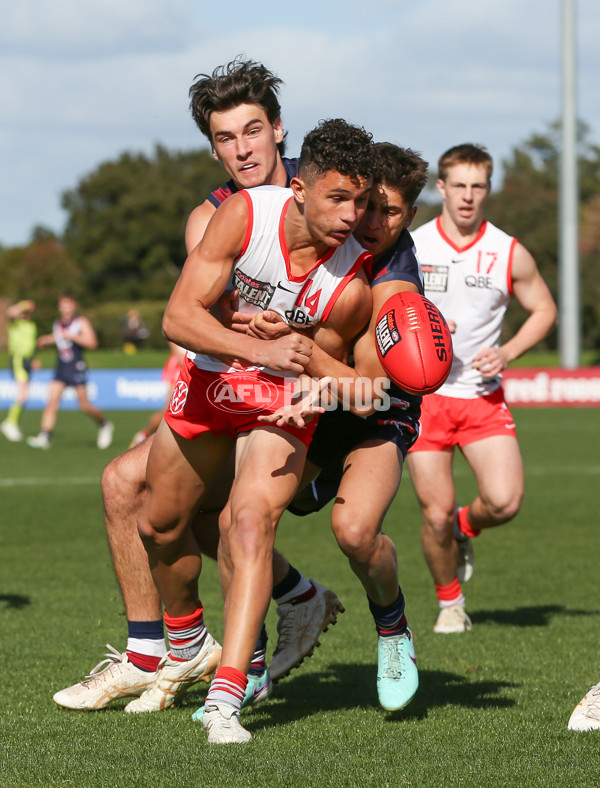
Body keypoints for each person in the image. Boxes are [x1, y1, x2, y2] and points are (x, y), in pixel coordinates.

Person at [52, 59, 343, 715]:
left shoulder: (324, 198)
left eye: (252, 130)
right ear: (212, 146)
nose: (241, 149)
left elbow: (358, 304)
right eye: (224, 138)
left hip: (317, 402)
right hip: (236, 395)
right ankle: (154, 652)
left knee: (228, 511)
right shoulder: (209, 219)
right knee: (124, 484)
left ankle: (247, 652)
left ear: (277, 129)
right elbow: (198, 331)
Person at [139, 117, 374, 745]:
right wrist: (256, 348)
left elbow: (357, 385)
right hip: (212, 377)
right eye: (337, 197)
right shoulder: (243, 215)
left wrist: (316, 381)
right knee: (158, 522)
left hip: (280, 401)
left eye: (361, 201)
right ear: (298, 187)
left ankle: (227, 696)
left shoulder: (352, 283)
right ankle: (188, 638)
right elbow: (178, 317)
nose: (352, 215)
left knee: (247, 522)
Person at [193, 142, 427, 723]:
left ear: (410, 217)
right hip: (314, 404)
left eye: (389, 212)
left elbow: (369, 388)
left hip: (374, 414)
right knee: (226, 521)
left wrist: (302, 357)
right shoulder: (326, 234)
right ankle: (264, 641)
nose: (371, 222)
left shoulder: (395, 278)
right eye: (365, 206)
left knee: (353, 530)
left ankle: (392, 627)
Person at [407, 143, 557, 633]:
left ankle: (463, 529)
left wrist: (509, 352)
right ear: (442, 188)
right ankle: (451, 603)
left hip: (482, 396)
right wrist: (424, 323)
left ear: (487, 189)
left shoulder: (507, 251)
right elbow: (379, 306)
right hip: (425, 401)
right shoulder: (413, 246)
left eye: (478, 186)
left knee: (505, 501)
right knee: (434, 512)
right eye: (459, 185)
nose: (468, 196)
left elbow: (545, 310)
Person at [27, 295, 114, 450]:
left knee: (84, 405)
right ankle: (45, 435)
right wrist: (45, 340)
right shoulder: (57, 323)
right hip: (61, 366)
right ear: (59, 307)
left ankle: (104, 424)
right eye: (63, 305)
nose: (66, 308)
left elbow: (92, 343)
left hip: (76, 366)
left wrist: (73, 336)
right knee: (52, 400)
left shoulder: (81, 322)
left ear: (74, 306)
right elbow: (59, 338)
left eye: (69, 305)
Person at [129, 341, 186, 447]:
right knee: (169, 411)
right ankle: (144, 435)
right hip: (181, 367)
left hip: (198, 367)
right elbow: (175, 345)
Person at [1, 299, 38, 442]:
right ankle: (10, 423)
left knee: (25, 395)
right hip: (18, 360)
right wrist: (24, 304)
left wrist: (34, 359)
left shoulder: (31, 326)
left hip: (28, 361)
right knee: (23, 395)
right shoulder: (16, 324)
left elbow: (31, 345)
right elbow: (9, 312)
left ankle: (12, 422)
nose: (25, 315)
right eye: (23, 313)